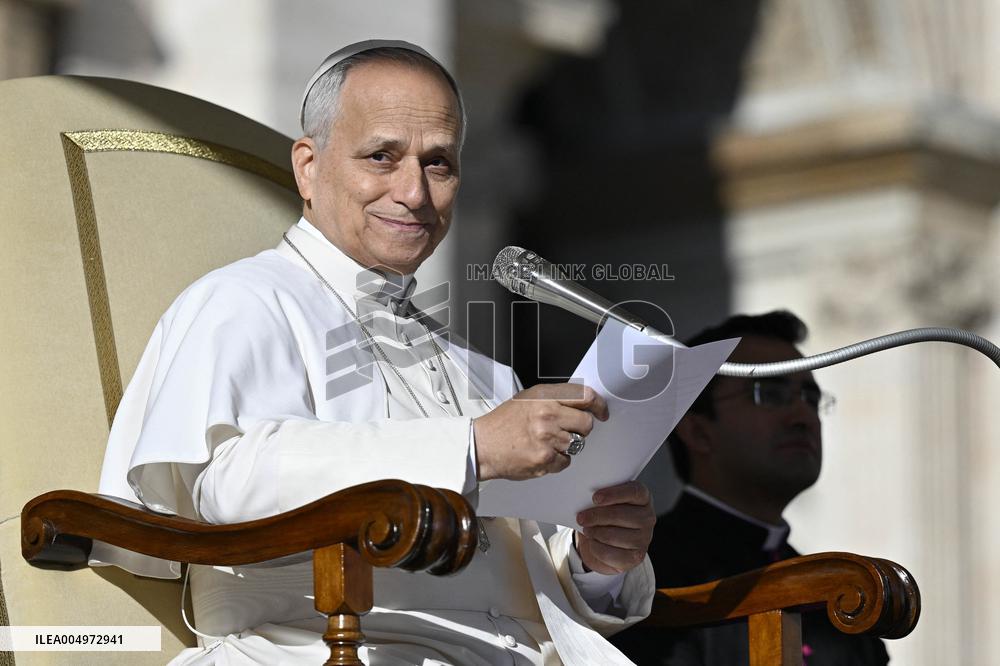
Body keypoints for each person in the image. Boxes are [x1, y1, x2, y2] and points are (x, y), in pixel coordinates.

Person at [90, 40, 656, 665]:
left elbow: (529, 578)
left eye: (438, 164)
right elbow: (225, 484)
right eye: (382, 157)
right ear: (308, 167)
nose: (414, 192)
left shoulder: (483, 370)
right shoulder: (243, 300)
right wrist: (470, 447)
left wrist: (598, 558)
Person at [613, 310, 889, 665]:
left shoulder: (842, 593)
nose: (803, 416)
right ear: (697, 430)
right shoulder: (635, 577)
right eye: (769, 393)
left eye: (810, 398)